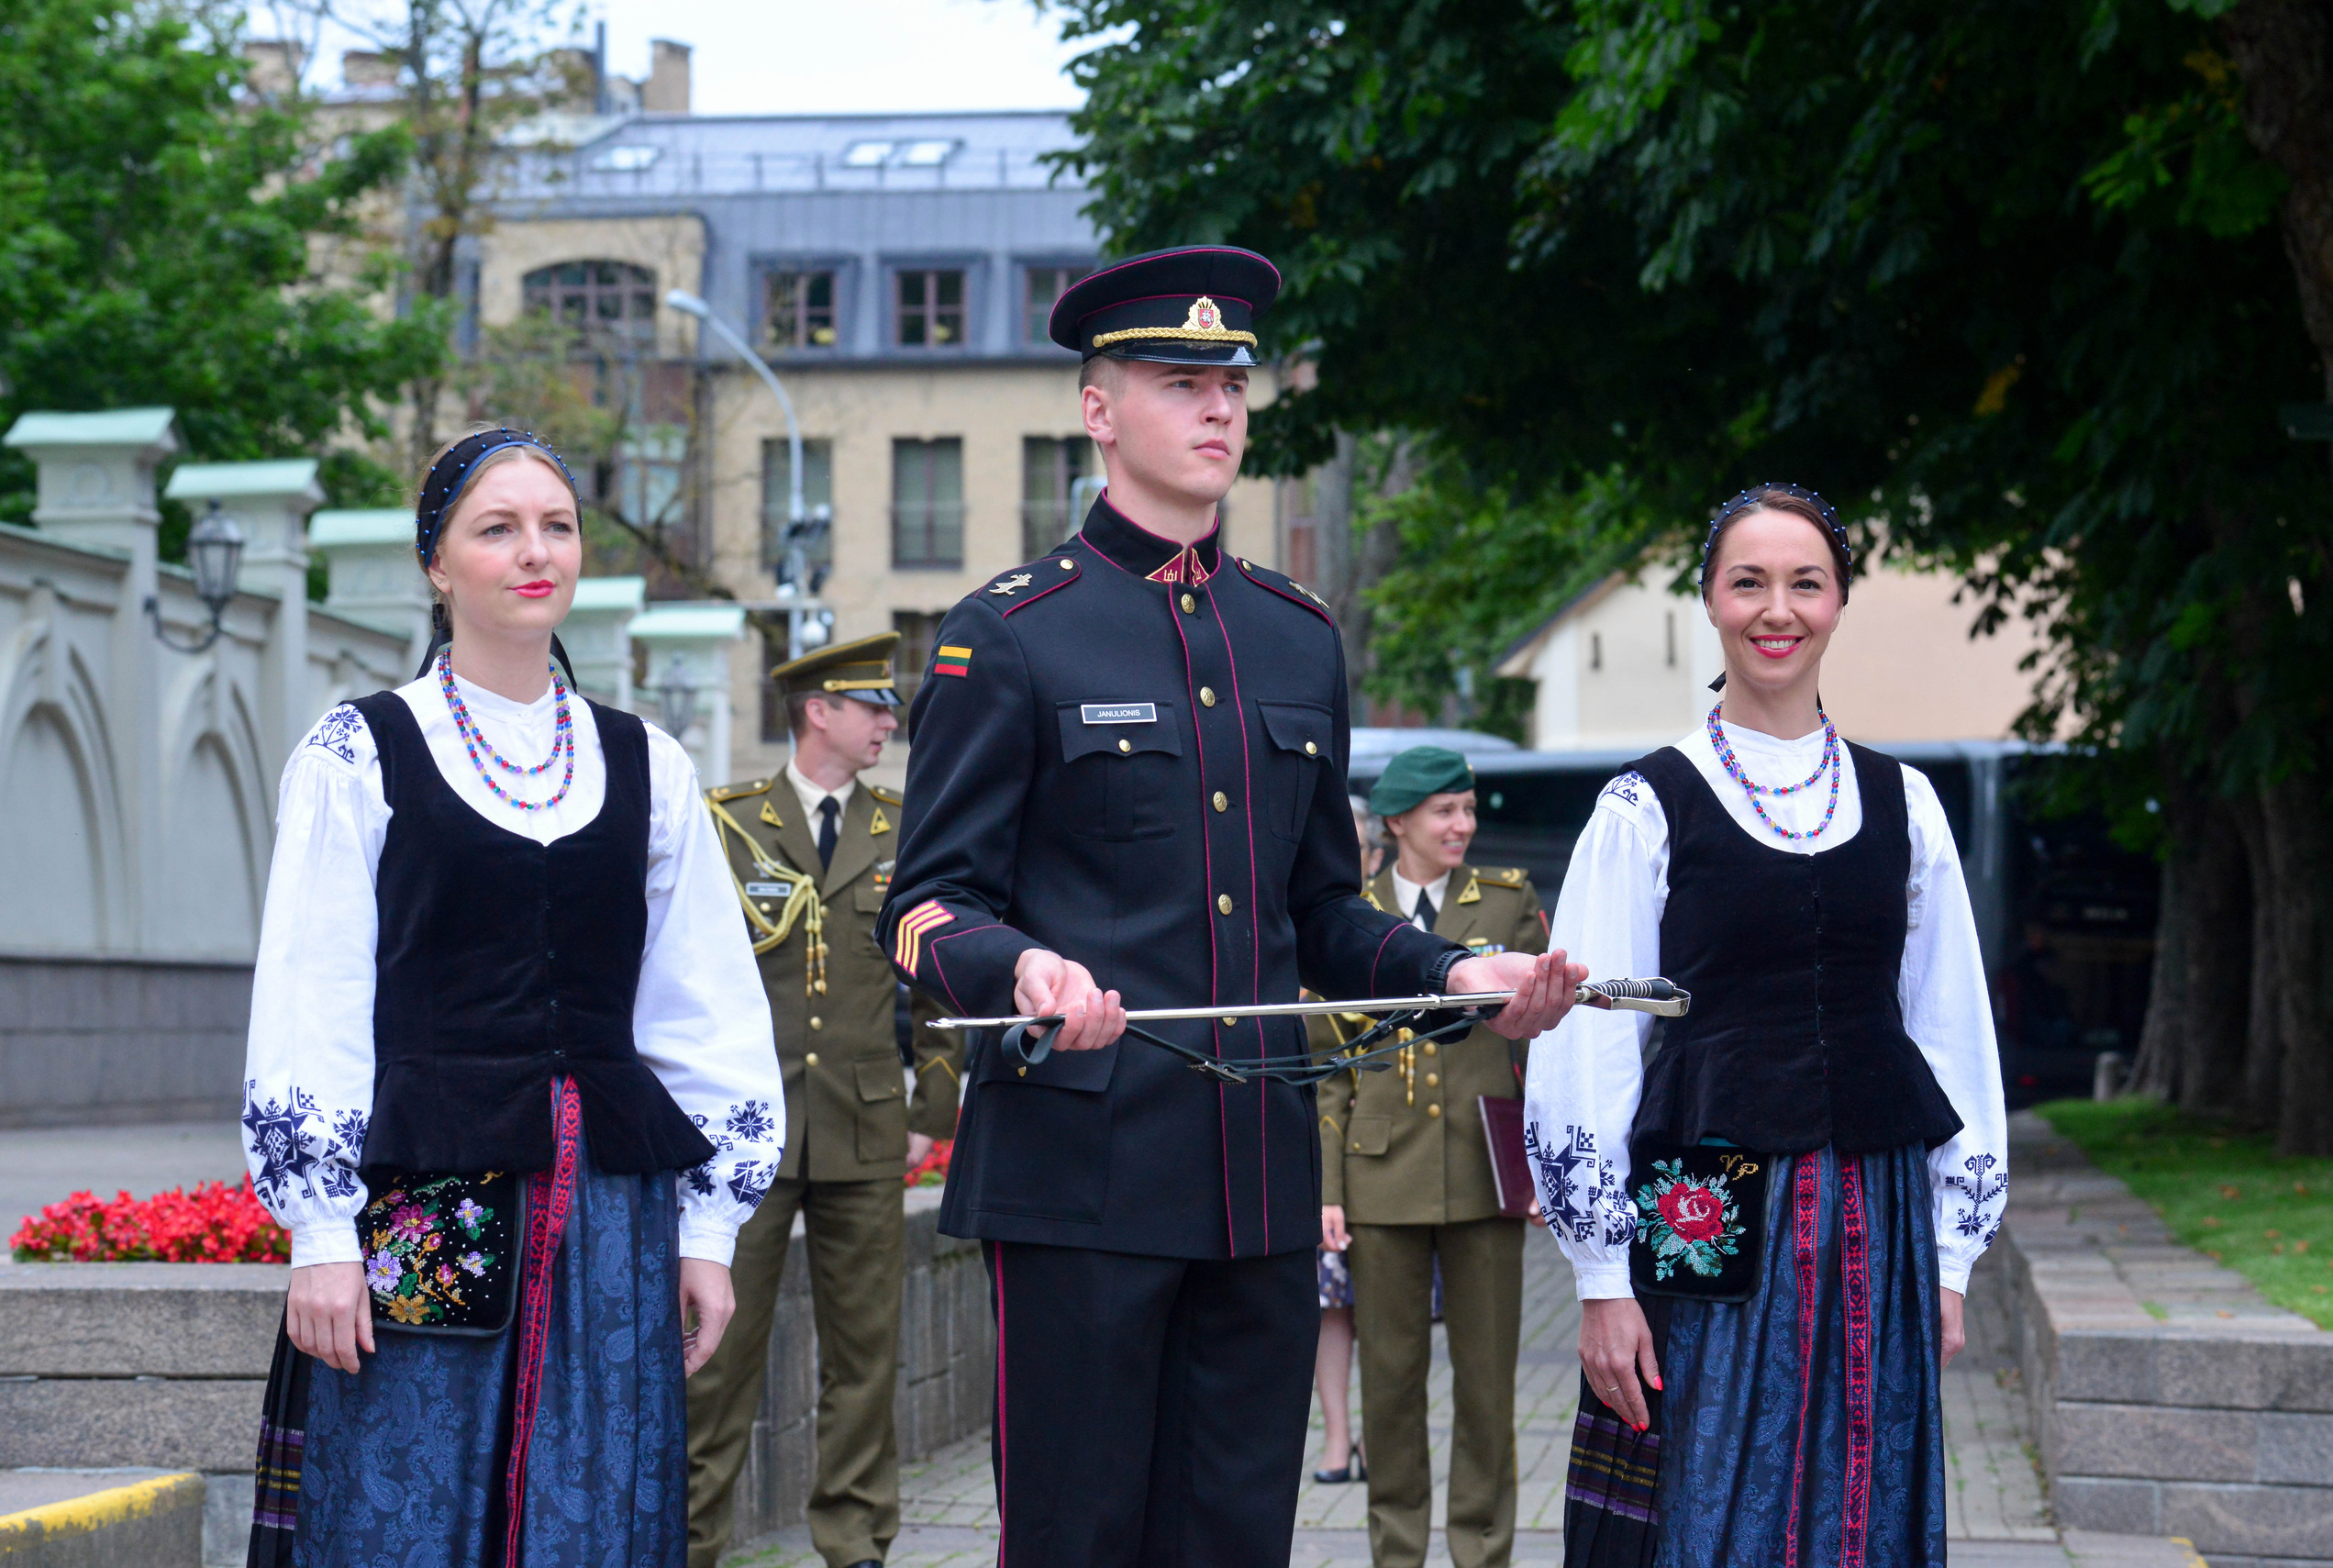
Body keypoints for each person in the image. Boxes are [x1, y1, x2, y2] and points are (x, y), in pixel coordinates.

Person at [875, 245, 1587, 1568]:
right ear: (1098, 408)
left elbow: (1320, 908)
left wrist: (1453, 975)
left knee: (1237, 1541)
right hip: (1078, 1179)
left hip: (1257, 1186)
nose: (1217, 407)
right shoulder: (1010, 633)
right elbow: (923, 906)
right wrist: (1020, 967)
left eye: (1233, 383)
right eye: (1178, 381)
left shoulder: (1294, 634)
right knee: (1077, 1539)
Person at [239, 426, 783, 1568]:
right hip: (426, 1203)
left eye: (557, 525)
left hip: (609, 1216)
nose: (536, 551)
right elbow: (312, 992)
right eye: (497, 528)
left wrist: (709, 1228)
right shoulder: (359, 752)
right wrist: (321, 1231)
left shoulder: (648, 763)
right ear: (436, 564)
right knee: (406, 1507)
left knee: (591, 1507)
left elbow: (701, 1004)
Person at [1529, 484, 2009, 1568]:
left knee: (1863, 1492)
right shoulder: (1643, 807)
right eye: (1748, 581)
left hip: (1877, 1210)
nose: (1776, 609)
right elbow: (1589, 1043)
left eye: (1805, 582)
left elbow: (1951, 1027)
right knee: (1711, 1491)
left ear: (1838, 601)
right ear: (1708, 598)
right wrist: (1601, 1277)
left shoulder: (1905, 803)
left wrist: (1950, 1254)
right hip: (1709, 1208)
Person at [684, 633, 965, 1568]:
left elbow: (936, 981)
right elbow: (687, 973)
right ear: (817, 711)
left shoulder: (904, 827)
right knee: (717, 1353)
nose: (889, 721)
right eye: (872, 706)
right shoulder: (729, 824)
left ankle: (856, 1540)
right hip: (747, 1135)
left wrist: (932, 1108)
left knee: (865, 1354)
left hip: (864, 1125)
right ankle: (690, 1538)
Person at [1316, 745, 1549, 1568]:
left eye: (1468, 808)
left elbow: (1541, 1050)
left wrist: (1543, 1165)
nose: (1463, 825)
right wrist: (1327, 1187)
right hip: (1381, 1175)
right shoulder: (1350, 913)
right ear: (1397, 821)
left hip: (1486, 1171)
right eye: (1444, 810)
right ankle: (1397, 1551)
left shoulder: (1509, 901)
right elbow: (1329, 1068)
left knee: (1487, 1387)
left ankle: (1483, 1551)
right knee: (1390, 1387)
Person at [1307, 792, 1388, 1487]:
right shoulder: (1300, 926)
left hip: (1397, 1157)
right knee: (1330, 1307)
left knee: (1392, 1317)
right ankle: (1338, 1437)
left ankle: (1380, 1437)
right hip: (1322, 1146)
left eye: (1357, 848)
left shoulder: (1392, 926)